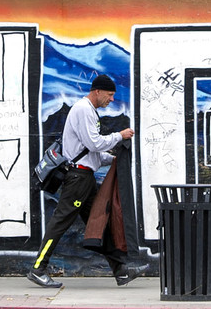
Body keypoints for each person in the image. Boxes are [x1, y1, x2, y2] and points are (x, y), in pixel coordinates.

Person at [27, 74, 140, 288]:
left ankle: (121, 271)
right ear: (97, 91)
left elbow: (89, 152)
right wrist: (119, 135)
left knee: (99, 222)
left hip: (84, 178)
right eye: (110, 94)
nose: (112, 99)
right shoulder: (84, 109)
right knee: (61, 222)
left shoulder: (89, 111)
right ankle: (38, 269)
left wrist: (113, 159)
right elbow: (94, 143)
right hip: (78, 179)